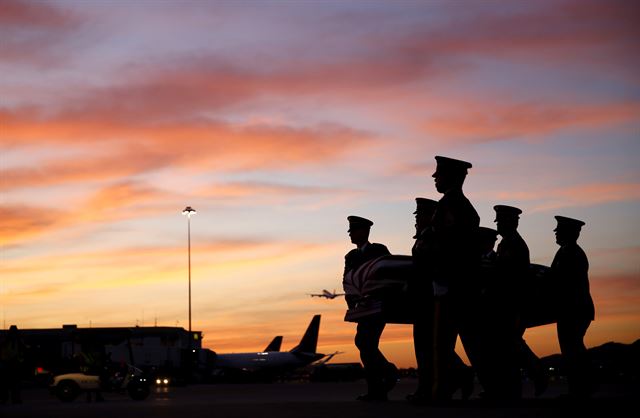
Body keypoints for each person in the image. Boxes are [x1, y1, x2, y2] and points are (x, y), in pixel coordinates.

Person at [408, 198, 474, 403]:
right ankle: (453, 377)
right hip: (421, 299)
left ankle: (432, 386)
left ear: (431, 217)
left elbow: (433, 267)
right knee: (425, 345)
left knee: (430, 346)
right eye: (417, 216)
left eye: (420, 216)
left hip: (431, 299)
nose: (417, 220)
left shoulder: (434, 238)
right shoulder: (423, 237)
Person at [427, 156, 480, 403]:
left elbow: (448, 245)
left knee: (442, 342)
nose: (435, 178)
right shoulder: (459, 205)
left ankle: (442, 391)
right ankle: (487, 385)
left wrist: (441, 277)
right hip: (459, 282)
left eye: (439, 174)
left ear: (450, 176)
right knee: (465, 340)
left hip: (451, 283)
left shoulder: (451, 205)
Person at [343, 215, 397, 401]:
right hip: (361, 307)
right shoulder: (351, 256)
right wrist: (353, 303)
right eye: (350, 231)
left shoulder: (378, 250)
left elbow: (387, 273)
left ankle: (383, 378)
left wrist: (372, 295)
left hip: (377, 305)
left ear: (365, 231)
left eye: (354, 230)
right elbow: (348, 281)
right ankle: (380, 384)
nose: (350, 234)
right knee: (364, 344)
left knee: (365, 343)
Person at [551, 216, 595, 399]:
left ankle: (580, 390)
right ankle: (578, 389)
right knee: (572, 349)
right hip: (571, 310)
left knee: (573, 349)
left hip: (574, 310)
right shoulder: (566, 251)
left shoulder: (572, 253)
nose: (555, 232)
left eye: (559, 230)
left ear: (568, 233)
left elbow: (562, 281)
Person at [0, 325, 26, 404]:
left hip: (14, 365)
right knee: (7, 384)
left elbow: (22, 353)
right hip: (7, 365)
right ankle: (6, 399)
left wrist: (19, 361)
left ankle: (14, 399)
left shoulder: (18, 342)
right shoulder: (6, 342)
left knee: (13, 384)